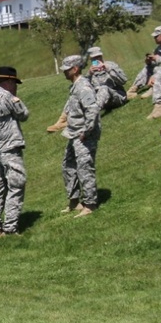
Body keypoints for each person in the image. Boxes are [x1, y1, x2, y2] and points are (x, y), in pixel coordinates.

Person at [0, 66, 29, 237]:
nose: (16, 86)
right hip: (10, 149)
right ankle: (10, 227)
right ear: (9, 81)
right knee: (16, 185)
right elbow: (24, 114)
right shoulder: (7, 96)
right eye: (15, 83)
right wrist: (16, 99)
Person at [59, 55, 100, 217]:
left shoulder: (83, 87)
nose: (64, 72)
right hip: (74, 133)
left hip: (84, 135)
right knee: (68, 165)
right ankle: (75, 201)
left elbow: (93, 110)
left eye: (67, 69)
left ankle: (90, 204)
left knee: (84, 168)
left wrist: (87, 131)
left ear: (75, 69)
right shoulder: (75, 86)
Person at [126, 25, 161, 100]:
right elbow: (155, 62)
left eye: (156, 36)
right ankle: (134, 88)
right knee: (147, 68)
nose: (154, 38)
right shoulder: (158, 48)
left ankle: (154, 88)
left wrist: (158, 58)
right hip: (160, 70)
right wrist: (149, 61)